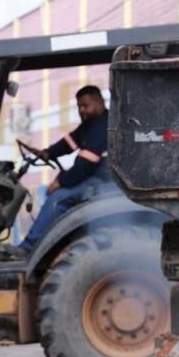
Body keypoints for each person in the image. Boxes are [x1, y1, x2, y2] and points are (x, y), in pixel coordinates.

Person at [16, 85, 113, 254]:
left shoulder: (104, 125)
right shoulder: (89, 125)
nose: (82, 110)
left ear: (99, 102)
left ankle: (28, 249)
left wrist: (61, 182)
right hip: (94, 179)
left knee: (58, 199)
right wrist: (47, 153)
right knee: (59, 193)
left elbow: (85, 165)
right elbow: (69, 143)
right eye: (79, 106)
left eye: (86, 105)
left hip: (104, 182)